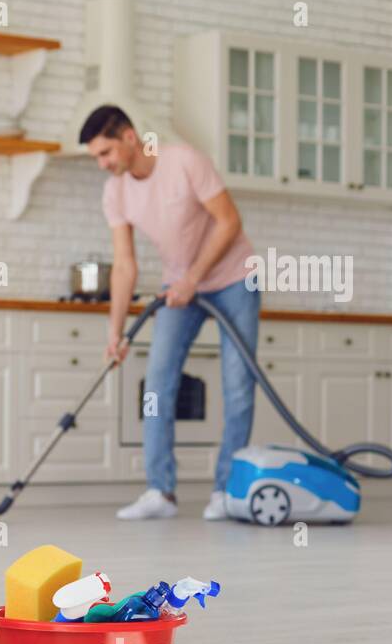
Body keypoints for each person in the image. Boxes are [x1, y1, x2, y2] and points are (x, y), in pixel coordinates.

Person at [80, 104, 260, 520]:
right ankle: (160, 492)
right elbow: (125, 264)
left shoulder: (184, 162)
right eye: (97, 158)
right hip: (178, 289)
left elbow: (229, 221)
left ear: (129, 137)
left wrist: (194, 277)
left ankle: (225, 492)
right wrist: (116, 331)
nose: (103, 164)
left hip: (234, 279)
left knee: (237, 385)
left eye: (106, 153)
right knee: (157, 385)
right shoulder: (116, 191)